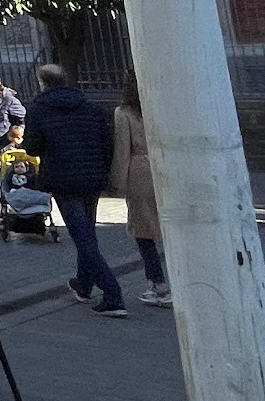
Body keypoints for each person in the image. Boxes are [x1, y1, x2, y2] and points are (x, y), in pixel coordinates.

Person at [21, 65, 126, 317]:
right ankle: (84, 284)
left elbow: (33, 147)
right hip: (91, 177)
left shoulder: (38, 110)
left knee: (82, 236)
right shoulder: (91, 107)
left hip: (62, 178)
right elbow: (106, 143)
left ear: (42, 83)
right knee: (87, 232)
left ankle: (113, 295)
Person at [108, 76, 172, 307]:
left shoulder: (124, 113)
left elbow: (123, 149)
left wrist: (118, 181)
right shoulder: (161, 107)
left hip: (140, 170)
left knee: (143, 230)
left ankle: (159, 284)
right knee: (169, 227)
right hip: (165, 166)